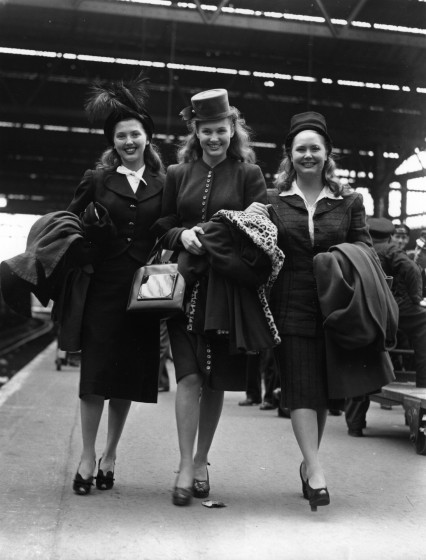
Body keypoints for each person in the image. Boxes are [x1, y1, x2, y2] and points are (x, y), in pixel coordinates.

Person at [248, 111, 395, 512]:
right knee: (299, 388)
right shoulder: (273, 201)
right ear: (289, 155)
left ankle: (308, 463)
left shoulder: (349, 202)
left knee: (323, 394)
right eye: (301, 149)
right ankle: (315, 470)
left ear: (327, 153)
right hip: (289, 301)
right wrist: (253, 221)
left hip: (335, 306)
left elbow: (366, 249)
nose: (308, 155)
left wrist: (341, 261)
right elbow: (258, 248)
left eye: (315, 148)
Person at [155, 88, 271, 506]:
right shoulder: (176, 173)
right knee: (187, 375)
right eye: (206, 131)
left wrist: (232, 232)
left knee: (215, 378)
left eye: (221, 130)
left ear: (232, 129)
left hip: (227, 291)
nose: (214, 138)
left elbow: (261, 231)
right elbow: (163, 223)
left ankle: (202, 460)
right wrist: (182, 234)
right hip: (184, 289)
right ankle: (185, 464)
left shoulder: (249, 174)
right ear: (195, 131)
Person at [67, 75, 165, 495]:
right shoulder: (96, 179)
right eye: (122, 136)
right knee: (95, 377)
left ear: (147, 139)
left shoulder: (165, 184)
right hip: (103, 288)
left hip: (141, 293)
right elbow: (70, 225)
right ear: (114, 142)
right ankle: (87, 456)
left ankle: (111, 454)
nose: (129, 142)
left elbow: (169, 229)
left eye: (135, 135)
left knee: (126, 377)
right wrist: (90, 243)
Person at [345, 218, 426, 436]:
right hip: (391, 308)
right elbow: (412, 270)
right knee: (423, 324)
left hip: (363, 311)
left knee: (361, 357)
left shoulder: (355, 249)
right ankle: (423, 382)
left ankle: (355, 424)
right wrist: (416, 298)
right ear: (390, 236)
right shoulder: (391, 249)